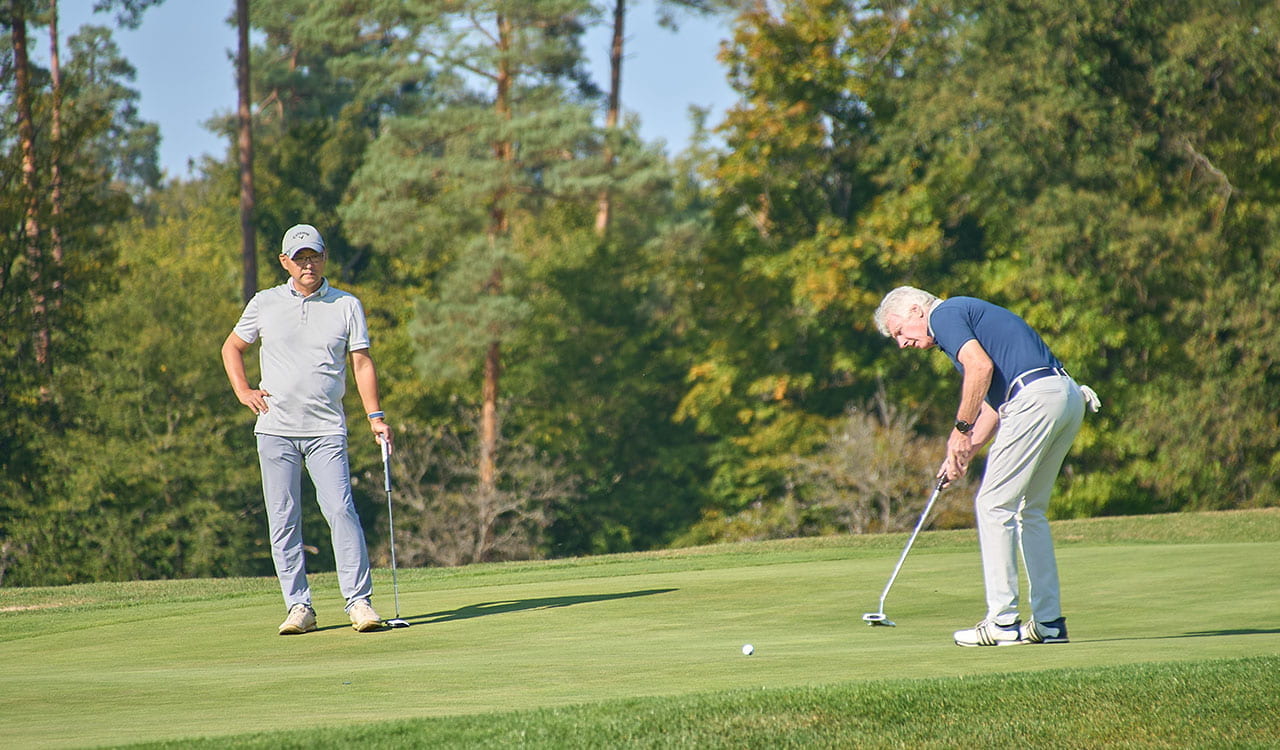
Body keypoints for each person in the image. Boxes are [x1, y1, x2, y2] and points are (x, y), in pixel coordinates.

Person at [874, 286, 1099, 647]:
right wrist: (964, 452)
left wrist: (960, 430)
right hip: (1064, 396)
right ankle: (1049, 623)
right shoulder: (961, 321)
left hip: (1034, 400)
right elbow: (995, 403)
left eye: (899, 331)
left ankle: (1003, 623)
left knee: (993, 506)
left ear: (915, 310)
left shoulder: (943, 315)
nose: (902, 343)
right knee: (1030, 511)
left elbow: (980, 368)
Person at [221, 223, 394, 635]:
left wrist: (375, 417)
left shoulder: (346, 305)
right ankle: (299, 607)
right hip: (275, 429)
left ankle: (359, 603)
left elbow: (362, 363)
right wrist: (243, 389)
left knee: (340, 510)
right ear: (285, 262)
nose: (307, 264)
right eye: (299, 258)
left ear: (324, 257)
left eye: (313, 256)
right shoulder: (265, 303)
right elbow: (232, 347)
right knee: (283, 519)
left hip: (326, 429)